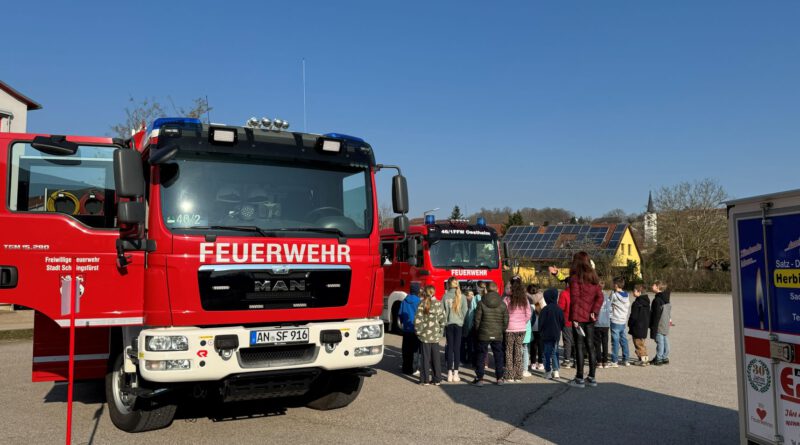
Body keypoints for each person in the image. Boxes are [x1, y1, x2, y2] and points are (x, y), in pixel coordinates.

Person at [568, 252, 604, 388]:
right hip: (590, 317)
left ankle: (579, 377)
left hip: (579, 316)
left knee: (579, 346)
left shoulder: (575, 279)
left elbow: (575, 299)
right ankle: (592, 377)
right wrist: (595, 311)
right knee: (590, 345)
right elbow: (600, 297)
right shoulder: (594, 277)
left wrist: (575, 318)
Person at [472, 281, 509, 386]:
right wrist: (501, 330)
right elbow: (506, 320)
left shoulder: (481, 302)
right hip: (497, 333)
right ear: (497, 290)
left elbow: (477, 320)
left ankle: (480, 379)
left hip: (483, 333)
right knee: (498, 355)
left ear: (486, 290)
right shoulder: (502, 304)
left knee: (481, 355)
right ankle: (499, 378)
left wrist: (479, 330)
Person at [414, 285, 446, 385]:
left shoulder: (422, 304)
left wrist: (418, 332)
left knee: (425, 358)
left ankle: (425, 380)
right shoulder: (438, 303)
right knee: (436, 358)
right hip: (435, 335)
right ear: (434, 292)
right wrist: (440, 332)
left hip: (424, 336)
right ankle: (437, 379)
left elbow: (417, 320)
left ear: (425, 292)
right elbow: (443, 319)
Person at [504, 282, 532, 382]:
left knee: (509, 351)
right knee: (518, 351)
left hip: (509, 328)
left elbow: (504, 313)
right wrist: (523, 322)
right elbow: (528, 314)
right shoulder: (525, 300)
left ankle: (510, 375)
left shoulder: (506, 299)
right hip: (521, 328)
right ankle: (518, 375)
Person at [442, 277, 468, 382]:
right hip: (458, 325)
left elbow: (442, 312)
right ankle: (456, 373)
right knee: (457, 349)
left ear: (448, 285)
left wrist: (444, 323)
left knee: (450, 348)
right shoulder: (462, 297)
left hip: (449, 324)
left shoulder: (445, 296)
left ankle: (449, 373)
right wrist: (462, 321)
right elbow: (465, 311)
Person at [539, 288, 564, 380]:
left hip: (546, 334)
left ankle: (548, 371)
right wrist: (559, 329)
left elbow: (541, 323)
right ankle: (556, 370)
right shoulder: (559, 309)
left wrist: (541, 332)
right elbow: (562, 322)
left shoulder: (544, 310)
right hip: (556, 334)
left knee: (546, 353)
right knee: (555, 352)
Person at [398, 282, 422, 376]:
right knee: (415, 350)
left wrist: (402, 323)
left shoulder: (404, 300)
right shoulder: (419, 301)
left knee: (406, 349)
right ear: (418, 291)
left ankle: (405, 368)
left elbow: (400, 314)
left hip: (406, 329)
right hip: (416, 329)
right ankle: (414, 369)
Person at [609, 277, 631, 367]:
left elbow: (609, 304)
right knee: (624, 340)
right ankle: (626, 359)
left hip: (615, 320)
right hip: (623, 321)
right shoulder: (627, 295)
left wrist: (610, 316)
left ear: (616, 285)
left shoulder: (614, 295)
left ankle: (614, 361)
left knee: (615, 341)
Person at [650, 281, 672, 365]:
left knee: (660, 341)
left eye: (653, 285)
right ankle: (664, 357)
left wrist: (653, 326)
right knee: (665, 340)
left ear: (657, 287)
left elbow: (655, 315)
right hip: (665, 323)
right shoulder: (666, 298)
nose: (652, 286)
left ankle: (659, 358)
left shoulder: (657, 300)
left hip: (659, 324)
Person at [628, 284, 651, 366]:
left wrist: (630, 323)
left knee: (638, 344)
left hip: (637, 327)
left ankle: (643, 360)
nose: (632, 292)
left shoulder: (636, 303)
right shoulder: (647, 302)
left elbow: (633, 316)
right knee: (642, 343)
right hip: (644, 326)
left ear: (639, 292)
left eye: (634, 291)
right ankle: (644, 358)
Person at [593, 281, 611, 368]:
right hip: (606, 323)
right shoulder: (607, 297)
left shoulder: (595, 297)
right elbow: (610, 310)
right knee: (605, 342)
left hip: (597, 323)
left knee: (597, 343)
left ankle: (599, 361)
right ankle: (605, 361)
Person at [528, 284, 545, 372]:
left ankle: (533, 363)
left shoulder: (527, 299)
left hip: (531, 326)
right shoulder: (542, 299)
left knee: (533, 345)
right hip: (541, 326)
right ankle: (541, 363)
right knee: (541, 345)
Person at [461, 289, 479, 368]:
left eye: (472, 294)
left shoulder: (474, 303)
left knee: (470, 344)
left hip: (471, 327)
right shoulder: (464, 303)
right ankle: (463, 359)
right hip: (464, 326)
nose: (472, 296)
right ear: (466, 296)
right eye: (470, 295)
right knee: (463, 344)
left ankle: (470, 359)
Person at [558, 285, 574, 368]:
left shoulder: (564, 293)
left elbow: (561, 307)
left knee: (567, 340)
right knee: (577, 341)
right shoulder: (579, 292)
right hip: (578, 320)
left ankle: (567, 360)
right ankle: (577, 361)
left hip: (567, 320)